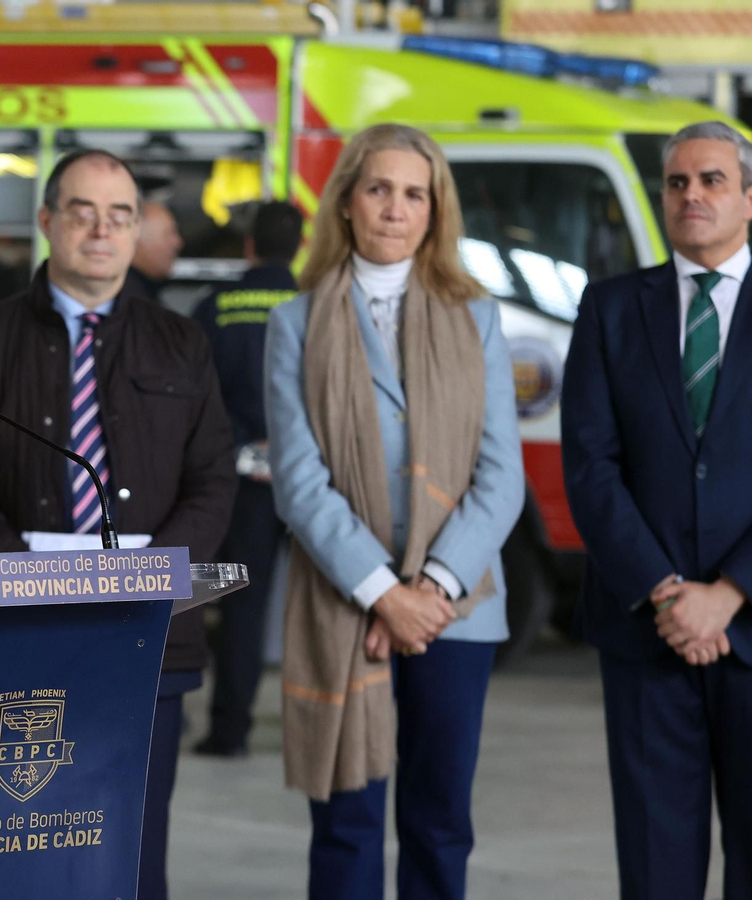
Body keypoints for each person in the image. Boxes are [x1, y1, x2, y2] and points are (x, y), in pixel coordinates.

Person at [561, 121, 752, 900]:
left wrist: (725, 596)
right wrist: (666, 592)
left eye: (712, 180)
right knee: (655, 863)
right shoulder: (609, 308)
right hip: (645, 632)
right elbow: (590, 469)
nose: (692, 194)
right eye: (678, 182)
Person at [0, 149, 235, 900]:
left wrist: (147, 584)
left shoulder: (182, 343)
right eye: (82, 211)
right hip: (18, 640)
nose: (101, 231)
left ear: (138, 229)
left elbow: (212, 481)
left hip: (151, 641)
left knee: (133, 855)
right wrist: (36, 585)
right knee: (24, 852)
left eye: (120, 215)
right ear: (47, 221)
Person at [266, 123, 524, 900]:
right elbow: (298, 480)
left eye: (415, 193)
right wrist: (383, 592)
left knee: (440, 818)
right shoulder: (296, 322)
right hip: (346, 605)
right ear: (345, 202)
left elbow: (500, 471)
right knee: (344, 821)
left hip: (457, 610)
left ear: (436, 210)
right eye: (378, 189)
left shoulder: (475, 316)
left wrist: (431, 593)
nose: (394, 209)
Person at [189, 200, 303, 758]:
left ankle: (229, 731)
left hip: (239, 480)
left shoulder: (217, 306)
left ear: (249, 244)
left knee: (243, 607)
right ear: (299, 246)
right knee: (318, 607)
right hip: (308, 480)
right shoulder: (314, 305)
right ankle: (317, 733)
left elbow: (194, 392)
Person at [125, 200, 183, 302]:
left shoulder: (144, 292)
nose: (177, 243)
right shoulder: (127, 300)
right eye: (168, 233)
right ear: (138, 239)